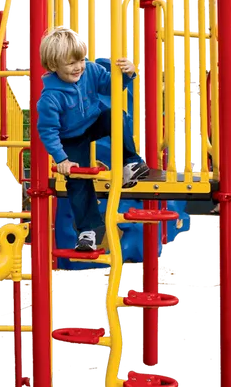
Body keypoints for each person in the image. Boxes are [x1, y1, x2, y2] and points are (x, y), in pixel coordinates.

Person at [37, 27, 149, 251]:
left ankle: (130, 163)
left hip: (93, 121)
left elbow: (111, 86)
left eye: (80, 59)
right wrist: (62, 159)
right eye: (71, 63)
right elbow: (48, 131)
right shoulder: (50, 97)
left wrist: (128, 74)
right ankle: (88, 232)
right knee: (77, 180)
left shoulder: (90, 70)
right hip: (70, 137)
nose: (78, 66)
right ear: (53, 66)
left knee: (115, 115)